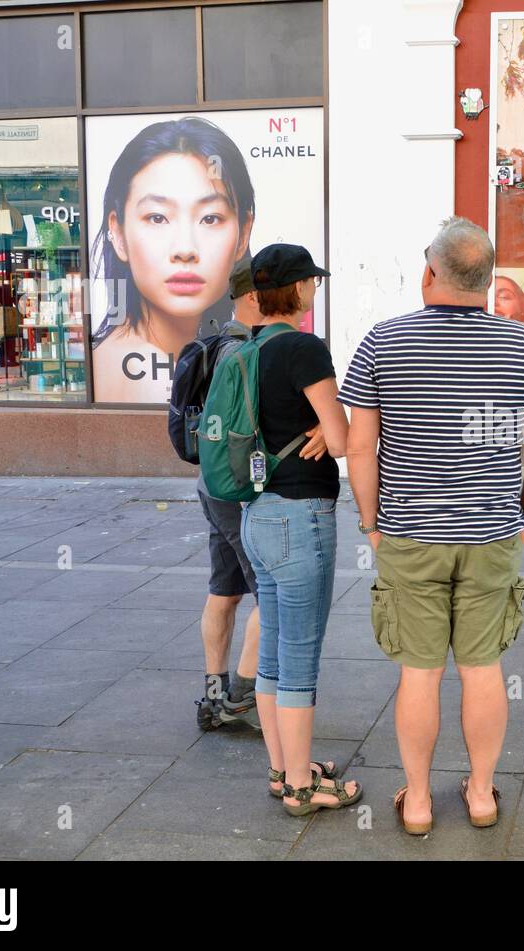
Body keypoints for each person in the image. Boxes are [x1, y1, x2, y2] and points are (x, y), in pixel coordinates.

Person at [339, 216, 524, 835]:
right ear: (487, 280)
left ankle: (415, 801)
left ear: (430, 272)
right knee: (482, 667)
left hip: (410, 532)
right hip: (492, 533)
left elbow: (361, 446)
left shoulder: (383, 341)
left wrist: (369, 518)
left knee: (420, 670)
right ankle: (483, 794)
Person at [239, 243, 361, 817]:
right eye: (312, 281)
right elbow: (341, 441)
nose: (317, 288)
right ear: (300, 288)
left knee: (272, 655)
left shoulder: (247, 348)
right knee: (300, 656)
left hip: (255, 513)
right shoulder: (304, 349)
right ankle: (301, 788)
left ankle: (282, 768)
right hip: (301, 515)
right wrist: (323, 422)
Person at [194, 257, 328, 732]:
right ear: (257, 297)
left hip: (212, 484)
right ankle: (243, 694)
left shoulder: (216, 346)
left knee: (222, 591)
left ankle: (213, 694)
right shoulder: (255, 350)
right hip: (249, 489)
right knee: (265, 597)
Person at [90, 117, 255, 403]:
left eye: (210, 218)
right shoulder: (142, 376)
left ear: (244, 233)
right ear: (117, 232)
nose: (184, 248)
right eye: (157, 217)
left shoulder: (207, 354)